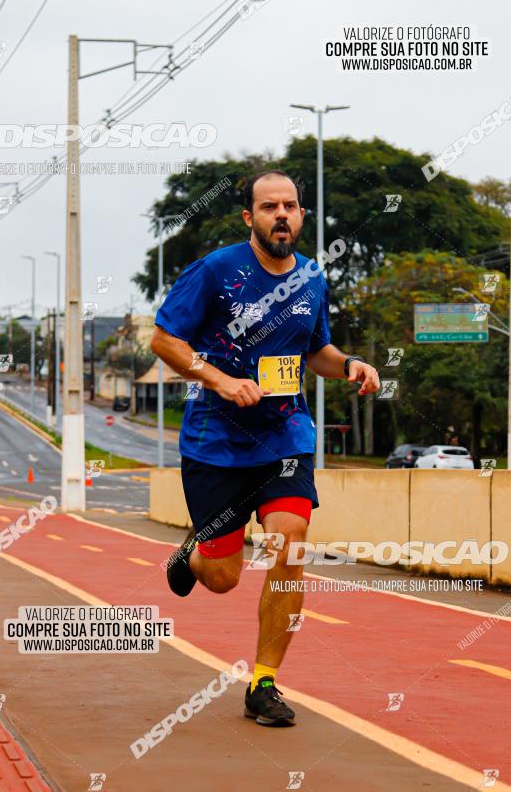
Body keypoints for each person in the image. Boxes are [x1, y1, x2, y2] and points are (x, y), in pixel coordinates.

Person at [150, 170, 379, 727]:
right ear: (249, 218)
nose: (282, 214)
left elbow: (316, 349)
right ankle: (196, 554)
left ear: (302, 216)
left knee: (290, 541)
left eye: (292, 206)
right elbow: (163, 339)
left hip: (285, 437)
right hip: (216, 442)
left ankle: (264, 682)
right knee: (224, 578)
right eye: (269, 206)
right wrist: (220, 380)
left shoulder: (312, 278)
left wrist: (348, 365)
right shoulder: (216, 271)